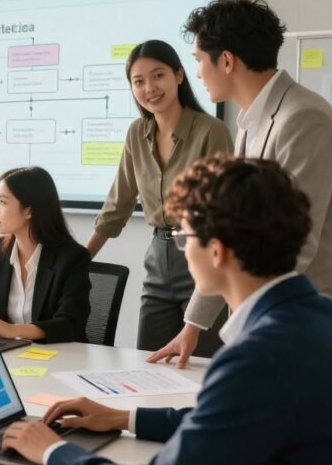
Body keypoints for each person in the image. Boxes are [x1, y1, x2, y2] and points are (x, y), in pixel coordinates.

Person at [0, 156, 332, 465]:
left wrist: (52, 452)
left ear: (218, 250)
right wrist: (124, 418)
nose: (181, 250)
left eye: (183, 237)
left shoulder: (258, 357)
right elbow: (230, 419)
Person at [152, 0, 332, 368]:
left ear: (226, 60)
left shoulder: (303, 119)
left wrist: (249, 332)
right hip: (281, 323)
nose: (198, 73)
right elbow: (236, 231)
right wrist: (193, 325)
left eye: (199, 61)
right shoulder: (254, 120)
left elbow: (293, 244)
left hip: (313, 324)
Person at [87, 40, 232, 354]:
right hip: (157, 260)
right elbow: (116, 208)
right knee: (148, 361)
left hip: (202, 259)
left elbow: (225, 215)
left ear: (179, 76)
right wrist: (79, 261)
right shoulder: (136, 134)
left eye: (158, 76)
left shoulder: (211, 131)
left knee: (200, 368)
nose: (149, 87)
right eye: (138, 81)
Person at [0, 167, 91, 343]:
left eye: (2, 202)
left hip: (56, 356)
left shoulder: (72, 258)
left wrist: (13, 330)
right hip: (9, 355)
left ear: (29, 211)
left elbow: (70, 324)